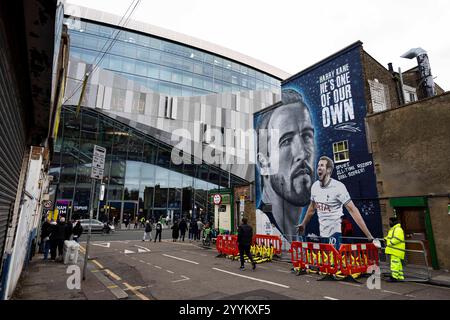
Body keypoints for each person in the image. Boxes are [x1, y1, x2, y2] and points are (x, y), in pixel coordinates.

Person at [255, 89, 315, 243]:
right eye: (286, 141)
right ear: (264, 163)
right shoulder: (265, 228)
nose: (302, 152)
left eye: (307, 135)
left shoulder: (302, 236)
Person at [297, 156, 375, 249]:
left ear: (329, 170)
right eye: (318, 165)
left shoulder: (338, 187)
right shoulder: (315, 186)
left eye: (322, 165)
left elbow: (352, 210)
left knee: (334, 260)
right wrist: (303, 224)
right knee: (327, 260)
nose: (319, 168)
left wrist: (368, 235)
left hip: (335, 233)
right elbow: (311, 208)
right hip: (323, 234)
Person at [384, 217, 405, 282]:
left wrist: (389, 243)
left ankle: (394, 277)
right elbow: (390, 237)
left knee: (394, 264)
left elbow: (398, 239)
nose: (389, 223)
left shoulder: (398, 229)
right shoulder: (393, 229)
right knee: (398, 264)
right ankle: (400, 276)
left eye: (390, 222)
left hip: (396, 250)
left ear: (393, 222)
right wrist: (385, 238)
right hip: (394, 250)